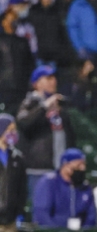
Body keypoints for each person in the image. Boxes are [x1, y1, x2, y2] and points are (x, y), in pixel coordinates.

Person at [16, 66, 76, 195]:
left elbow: (69, 135)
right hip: (38, 168)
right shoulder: (30, 103)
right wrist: (44, 106)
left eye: (54, 78)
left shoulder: (59, 104)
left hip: (60, 167)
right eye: (48, 78)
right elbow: (24, 123)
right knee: (41, 208)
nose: (53, 81)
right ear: (36, 83)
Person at [33, 148, 97, 228]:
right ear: (66, 165)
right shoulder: (49, 183)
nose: (83, 168)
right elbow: (42, 215)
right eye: (79, 165)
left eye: (84, 165)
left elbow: (91, 216)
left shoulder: (85, 187)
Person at [0, 11, 34, 114]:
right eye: (10, 19)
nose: (12, 22)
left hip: (21, 87)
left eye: (14, 19)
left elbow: (30, 64)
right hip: (4, 87)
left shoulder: (22, 41)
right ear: (3, 22)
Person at [28, 0, 69, 66]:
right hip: (39, 51)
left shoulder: (56, 11)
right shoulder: (34, 11)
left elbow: (60, 31)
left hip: (54, 51)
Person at [0, 114, 26, 231]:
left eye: (14, 130)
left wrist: (19, 213)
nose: (14, 133)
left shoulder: (18, 158)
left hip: (11, 219)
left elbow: (21, 190)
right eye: (10, 130)